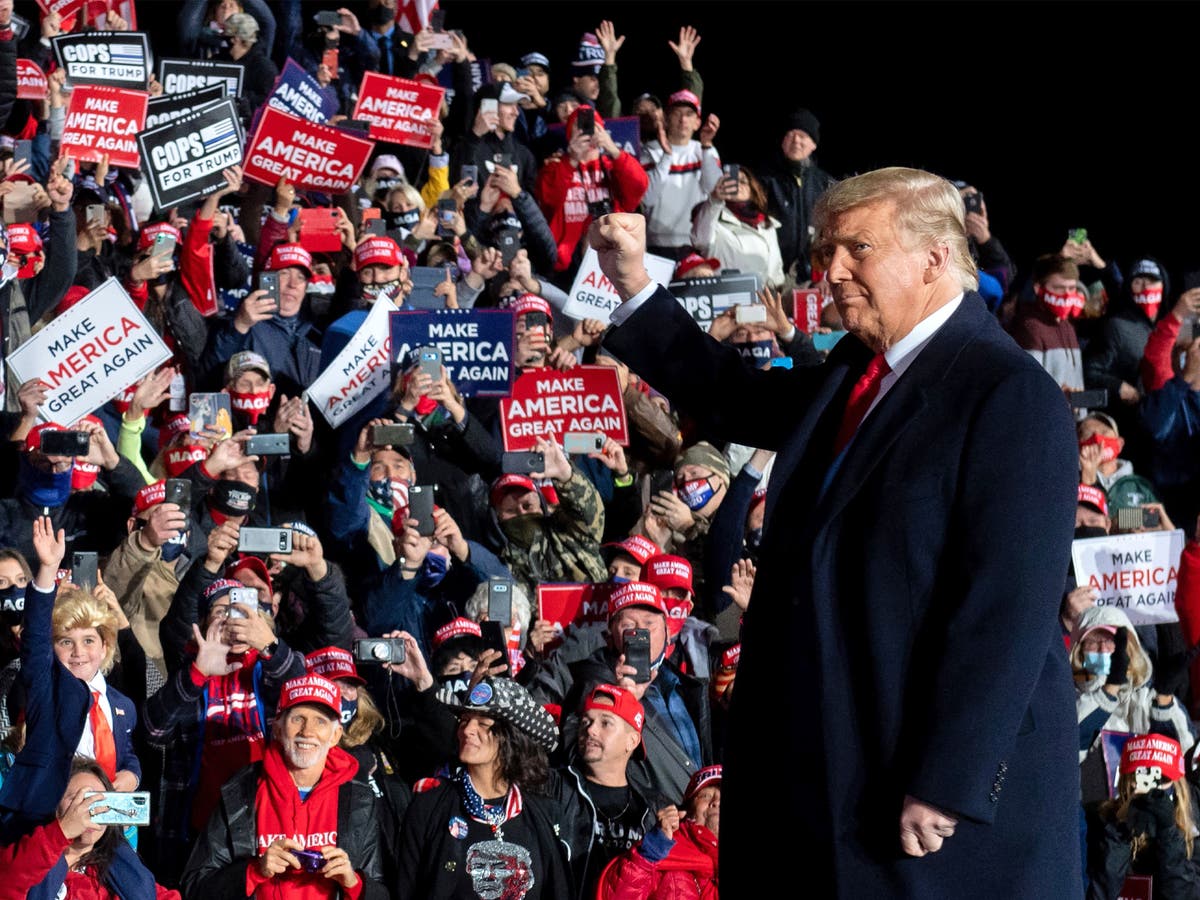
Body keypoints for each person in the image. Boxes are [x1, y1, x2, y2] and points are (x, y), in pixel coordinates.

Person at [591, 168, 1082, 895]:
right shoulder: (859, 368)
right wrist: (629, 281)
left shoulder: (1008, 394)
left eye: (858, 248)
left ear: (934, 258)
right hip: (826, 781)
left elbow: (1005, 607)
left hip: (929, 810)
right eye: (826, 251)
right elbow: (734, 397)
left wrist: (948, 777)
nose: (833, 270)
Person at [181, 673, 388, 898]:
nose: (307, 731)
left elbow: (381, 890)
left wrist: (353, 883)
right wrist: (253, 871)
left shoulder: (358, 797)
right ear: (278, 729)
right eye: (298, 718)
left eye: (320, 721)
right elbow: (195, 886)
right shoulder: (240, 790)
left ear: (335, 735)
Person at [393, 676, 574, 898]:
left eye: (483, 723)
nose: (467, 730)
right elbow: (406, 892)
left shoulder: (546, 814)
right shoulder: (427, 809)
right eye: (464, 720)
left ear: (511, 737)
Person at [0, 758, 180, 900]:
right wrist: (62, 832)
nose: (89, 807)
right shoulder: (23, 856)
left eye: (99, 799)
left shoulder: (121, 870)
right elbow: (7, 883)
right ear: (54, 805)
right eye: (77, 798)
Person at [1086, 734, 1200, 899]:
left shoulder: (1193, 826)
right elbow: (1100, 894)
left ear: (1177, 784)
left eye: (1161, 778)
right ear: (1125, 779)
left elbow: (1186, 895)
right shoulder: (1099, 821)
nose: (1151, 787)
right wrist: (1120, 829)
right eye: (1140, 776)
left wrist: (1169, 833)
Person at [595, 764, 721, 900]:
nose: (716, 802)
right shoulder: (659, 852)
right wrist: (651, 850)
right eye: (706, 796)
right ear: (686, 811)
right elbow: (617, 896)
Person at [759, 108, 836, 284]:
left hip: (812, 274)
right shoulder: (764, 180)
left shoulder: (824, 183)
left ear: (813, 144)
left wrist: (824, 273)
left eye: (803, 136)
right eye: (790, 134)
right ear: (782, 142)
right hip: (771, 273)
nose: (796, 141)